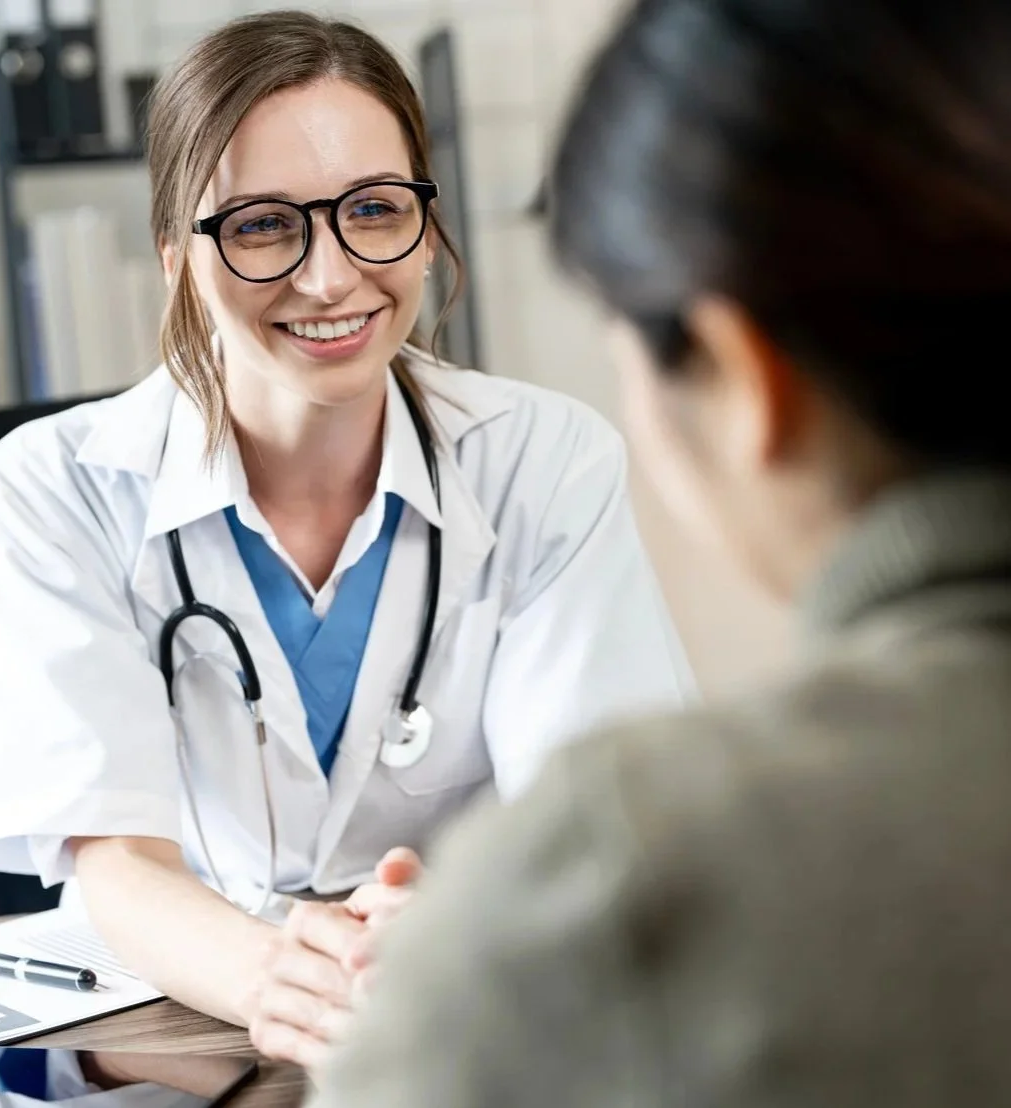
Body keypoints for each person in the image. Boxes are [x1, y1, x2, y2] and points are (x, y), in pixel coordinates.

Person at [0, 10, 692, 1069]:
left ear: (426, 227)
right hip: (176, 1025)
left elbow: (590, 813)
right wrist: (270, 974)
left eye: (373, 210)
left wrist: (438, 927)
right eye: (259, 225)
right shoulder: (53, 487)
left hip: (463, 998)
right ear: (173, 257)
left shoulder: (544, 462)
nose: (330, 277)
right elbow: (112, 860)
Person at [311, 0, 1011, 1104]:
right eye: (262, 225)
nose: (327, 273)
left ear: (741, 379)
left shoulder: (626, 871)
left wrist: (483, 932)